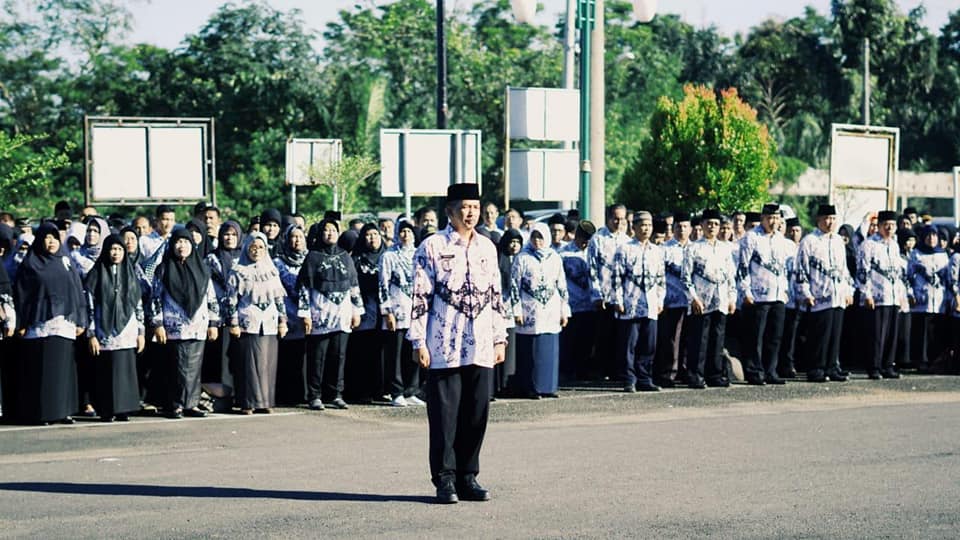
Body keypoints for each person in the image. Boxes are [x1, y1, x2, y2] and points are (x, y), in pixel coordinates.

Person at [408, 182, 507, 504]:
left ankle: (469, 476)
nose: (471, 213)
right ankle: (445, 479)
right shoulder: (432, 247)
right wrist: (418, 340)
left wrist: (499, 337)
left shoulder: (488, 247)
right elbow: (419, 296)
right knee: (444, 417)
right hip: (444, 345)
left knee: (476, 414)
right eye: (464, 207)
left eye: (475, 207)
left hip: (479, 344)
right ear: (449, 211)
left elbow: (495, 295)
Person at [13, 222, 87, 425]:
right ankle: (42, 413)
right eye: (47, 237)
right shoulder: (30, 264)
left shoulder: (65, 260)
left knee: (64, 370)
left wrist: (81, 319)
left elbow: (76, 289)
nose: (51, 241)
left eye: (54, 237)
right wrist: (20, 321)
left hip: (63, 323)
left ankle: (63, 411)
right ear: (40, 240)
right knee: (41, 371)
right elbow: (21, 295)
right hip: (38, 326)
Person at [149, 228, 220, 418]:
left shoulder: (202, 270)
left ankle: (192, 403)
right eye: (178, 242)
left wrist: (214, 323)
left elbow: (211, 298)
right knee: (176, 366)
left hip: (197, 324)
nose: (182, 246)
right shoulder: (163, 269)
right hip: (173, 326)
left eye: (186, 242)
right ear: (172, 245)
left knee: (195, 366)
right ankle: (175, 404)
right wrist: (158, 324)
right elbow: (155, 298)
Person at [297, 218, 363, 411]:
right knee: (317, 357)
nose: (330, 234)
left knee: (339, 356)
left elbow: (353, 285)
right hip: (320, 314)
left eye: (333, 230)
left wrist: (356, 311)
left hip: (342, 314)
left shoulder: (345, 256)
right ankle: (314, 395)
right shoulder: (313, 257)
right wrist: (305, 314)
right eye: (326, 230)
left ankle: (336, 394)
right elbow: (304, 286)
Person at [84, 234, 145, 422]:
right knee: (106, 371)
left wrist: (141, 332)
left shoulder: (131, 273)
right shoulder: (96, 273)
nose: (116, 253)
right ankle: (107, 409)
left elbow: (138, 304)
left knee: (125, 370)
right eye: (112, 249)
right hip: (104, 328)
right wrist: (91, 333)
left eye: (119, 249)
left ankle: (124, 408)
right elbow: (89, 305)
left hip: (127, 329)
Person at [227, 232, 287, 414]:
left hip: (269, 322)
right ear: (246, 247)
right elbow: (230, 299)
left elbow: (279, 299)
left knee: (267, 364)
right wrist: (234, 322)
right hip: (248, 321)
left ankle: (265, 402)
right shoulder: (238, 270)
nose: (257, 250)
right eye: (253, 246)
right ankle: (248, 402)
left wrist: (282, 321)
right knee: (249, 365)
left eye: (261, 247)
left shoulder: (272, 270)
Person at [794, 205, 853, 382]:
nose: (830, 222)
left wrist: (848, 290)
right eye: (827, 218)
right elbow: (801, 269)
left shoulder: (838, 241)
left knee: (835, 334)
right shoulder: (809, 241)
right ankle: (816, 369)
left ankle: (832, 367)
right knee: (819, 335)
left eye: (833, 219)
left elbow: (844, 269)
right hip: (819, 295)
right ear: (818, 220)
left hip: (838, 295)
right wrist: (805, 293)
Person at [511, 223, 570, 399]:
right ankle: (530, 387)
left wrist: (564, 310)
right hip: (530, 309)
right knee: (530, 350)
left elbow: (562, 285)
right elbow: (515, 285)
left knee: (548, 349)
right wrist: (516, 310)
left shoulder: (555, 257)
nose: (538, 241)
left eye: (541, 237)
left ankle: (548, 387)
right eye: (534, 236)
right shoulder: (522, 257)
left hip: (550, 309)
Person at [738, 203, 793, 385]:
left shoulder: (781, 240)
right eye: (769, 218)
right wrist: (745, 290)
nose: (773, 221)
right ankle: (755, 371)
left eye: (776, 218)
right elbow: (743, 267)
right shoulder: (751, 238)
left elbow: (785, 268)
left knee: (775, 336)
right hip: (758, 295)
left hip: (777, 294)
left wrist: (785, 290)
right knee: (756, 337)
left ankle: (771, 370)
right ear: (762, 218)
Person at [612, 211, 666, 393]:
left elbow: (661, 278)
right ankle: (629, 379)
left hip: (650, 304)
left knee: (648, 344)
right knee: (629, 344)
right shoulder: (624, 249)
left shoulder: (657, 251)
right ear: (633, 227)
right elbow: (617, 277)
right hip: (630, 303)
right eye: (642, 225)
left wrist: (660, 300)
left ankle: (645, 378)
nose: (646, 229)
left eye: (649, 225)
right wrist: (618, 299)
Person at [683, 209, 737, 388]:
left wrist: (732, 298)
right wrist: (693, 298)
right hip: (701, 300)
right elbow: (686, 277)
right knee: (699, 340)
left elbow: (731, 276)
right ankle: (695, 375)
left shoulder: (724, 249)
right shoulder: (693, 247)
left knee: (717, 339)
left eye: (715, 224)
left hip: (720, 299)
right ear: (702, 225)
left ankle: (714, 374)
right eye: (709, 223)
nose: (712, 227)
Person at [857, 210, 909, 379]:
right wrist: (867, 294)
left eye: (892, 225)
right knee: (876, 335)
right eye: (886, 225)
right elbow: (862, 272)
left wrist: (901, 295)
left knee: (891, 335)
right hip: (877, 297)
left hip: (893, 296)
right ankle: (874, 366)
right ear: (878, 226)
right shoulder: (869, 245)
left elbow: (899, 273)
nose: (889, 228)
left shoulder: (894, 245)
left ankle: (888, 365)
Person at [378, 221, 423, 407]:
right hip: (396, 312)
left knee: (413, 351)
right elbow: (383, 284)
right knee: (394, 354)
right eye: (402, 231)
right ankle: (396, 391)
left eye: (408, 231)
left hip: (416, 312)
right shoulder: (388, 255)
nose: (405, 234)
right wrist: (386, 311)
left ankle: (411, 390)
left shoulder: (419, 254)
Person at [587, 204, 631, 380]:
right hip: (604, 296)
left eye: (622, 218)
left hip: (623, 298)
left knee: (621, 337)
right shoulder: (597, 239)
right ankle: (600, 370)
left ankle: (617, 371)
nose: (618, 222)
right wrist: (596, 294)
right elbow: (591, 269)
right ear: (608, 217)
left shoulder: (627, 241)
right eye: (615, 217)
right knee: (603, 336)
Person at [346, 223, 387, 404]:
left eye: (375, 234)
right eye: (368, 235)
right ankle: (361, 391)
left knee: (382, 353)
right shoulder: (356, 259)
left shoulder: (387, 257)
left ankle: (381, 390)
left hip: (384, 312)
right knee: (363, 352)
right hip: (363, 311)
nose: (372, 238)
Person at [203, 221, 243, 394]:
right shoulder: (212, 258)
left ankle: (237, 394)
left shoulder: (245, 257)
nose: (230, 238)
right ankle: (219, 397)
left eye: (234, 234)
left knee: (237, 359)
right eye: (226, 234)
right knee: (218, 359)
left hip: (242, 317)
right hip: (218, 316)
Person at [655, 212, 692, 387]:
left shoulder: (696, 248)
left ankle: (685, 371)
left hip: (693, 302)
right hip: (672, 301)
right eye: (678, 227)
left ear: (690, 229)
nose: (682, 230)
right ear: (673, 228)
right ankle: (669, 373)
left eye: (685, 227)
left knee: (689, 339)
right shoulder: (664, 249)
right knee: (671, 340)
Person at [274, 224, 309, 405]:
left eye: (300, 237)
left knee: (304, 358)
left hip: (308, 316)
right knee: (287, 357)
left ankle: (304, 394)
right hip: (287, 316)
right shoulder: (278, 263)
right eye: (293, 237)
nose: (297, 241)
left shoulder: (311, 260)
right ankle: (285, 395)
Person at [907, 225, 950, 373]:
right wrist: (911, 294)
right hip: (922, 299)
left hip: (939, 300)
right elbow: (908, 276)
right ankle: (921, 360)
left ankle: (935, 360)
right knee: (921, 331)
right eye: (928, 236)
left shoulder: (943, 255)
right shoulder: (916, 254)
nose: (931, 239)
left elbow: (948, 278)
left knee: (935, 332)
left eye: (934, 236)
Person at [558, 221, 597, 382]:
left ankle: (584, 370)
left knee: (587, 341)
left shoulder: (593, 252)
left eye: (588, 240)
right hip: (572, 304)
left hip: (590, 304)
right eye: (583, 239)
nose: (585, 243)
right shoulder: (563, 253)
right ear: (577, 236)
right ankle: (567, 371)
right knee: (570, 341)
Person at [495, 228, 523, 395]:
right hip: (503, 310)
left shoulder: (523, 259)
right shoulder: (500, 258)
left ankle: (511, 383)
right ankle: (500, 385)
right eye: (511, 242)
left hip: (520, 310)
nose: (514, 246)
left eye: (517, 242)